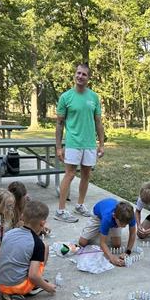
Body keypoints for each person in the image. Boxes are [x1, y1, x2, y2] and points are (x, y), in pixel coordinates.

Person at [54, 63, 105, 223]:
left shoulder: (94, 97)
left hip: (89, 144)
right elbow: (59, 124)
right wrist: (58, 147)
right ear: (74, 75)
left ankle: (80, 205)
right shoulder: (65, 97)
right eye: (78, 73)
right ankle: (61, 210)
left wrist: (101, 144)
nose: (80, 76)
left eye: (84, 74)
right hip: (73, 143)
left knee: (86, 175)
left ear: (88, 78)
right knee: (69, 175)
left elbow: (98, 122)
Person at [0, 200, 56, 300]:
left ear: (22, 216)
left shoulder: (9, 233)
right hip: (17, 286)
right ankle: (25, 290)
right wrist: (48, 287)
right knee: (45, 247)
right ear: (42, 223)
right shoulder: (37, 244)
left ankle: (9, 291)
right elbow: (33, 276)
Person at [79, 198, 136, 267]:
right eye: (121, 224)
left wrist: (127, 252)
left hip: (112, 220)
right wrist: (112, 258)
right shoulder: (107, 218)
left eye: (126, 224)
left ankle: (105, 230)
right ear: (114, 216)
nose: (124, 226)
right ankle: (103, 229)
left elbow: (132, 233)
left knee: (117, 245)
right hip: (98, 216)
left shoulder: (130, 216)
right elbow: (102, 243)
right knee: (82, 242)